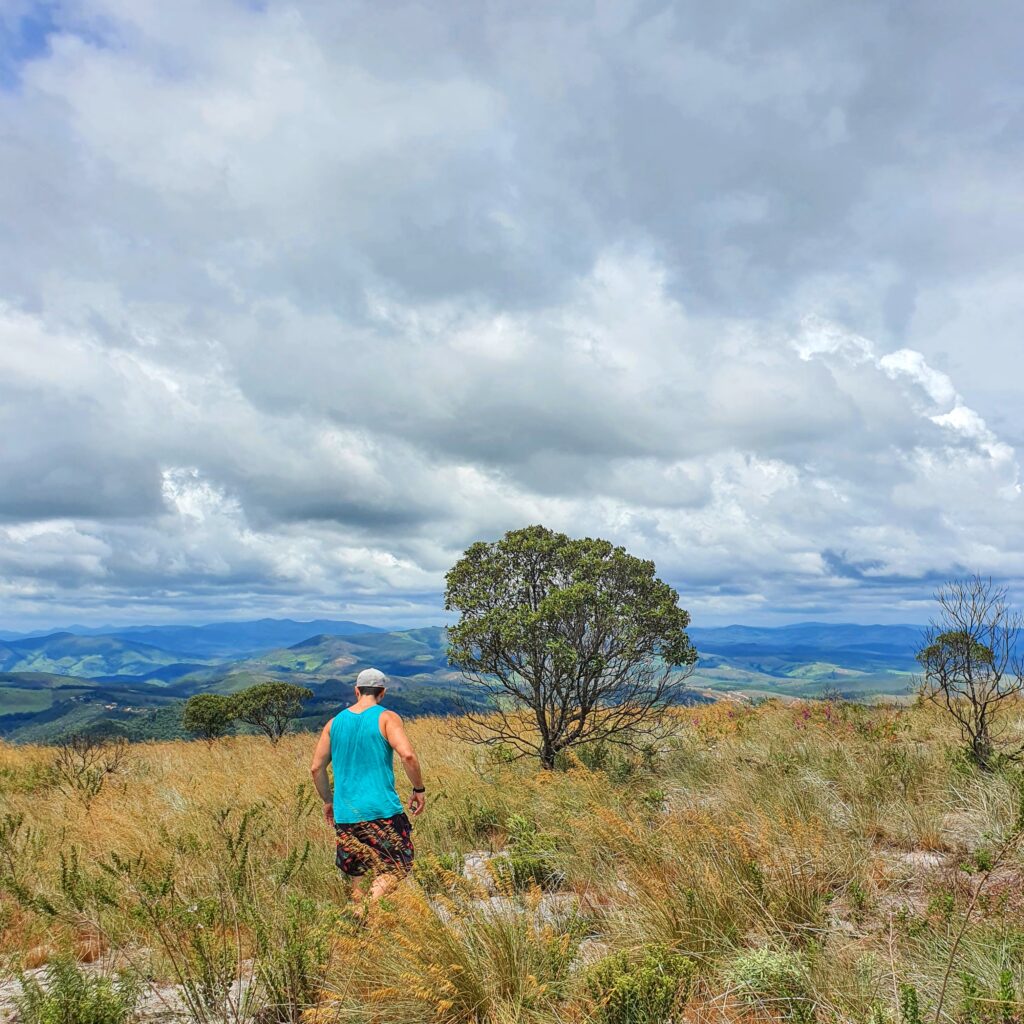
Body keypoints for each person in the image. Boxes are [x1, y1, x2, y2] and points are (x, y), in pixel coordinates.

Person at [309, 667, 425, 909]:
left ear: (356, 691)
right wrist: (418, 789)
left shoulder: (334, 723)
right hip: (382, 810)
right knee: (397, 865)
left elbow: (316, 769)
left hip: (346, 813)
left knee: (356, 871)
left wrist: (328, 801)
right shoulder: (386, 718)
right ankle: (371, 907)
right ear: (382, 693)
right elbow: (408, 756)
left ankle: (360, 922)